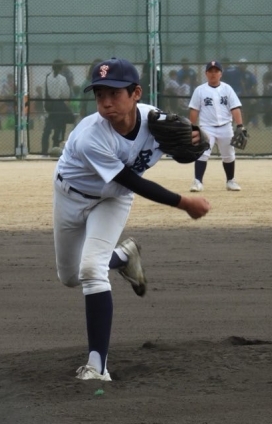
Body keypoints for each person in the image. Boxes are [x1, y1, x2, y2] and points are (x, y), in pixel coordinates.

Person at [53, 57, 210, 381]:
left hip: (113, 201)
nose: (106, 102)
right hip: (71, 196)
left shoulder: (155, 121)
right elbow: (133, 181)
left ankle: (97, 366)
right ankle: (124, 256)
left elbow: (188, 143)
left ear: (136, 93)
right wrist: (185, 203)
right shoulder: (92, 137)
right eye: (99, 94)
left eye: (114, 93)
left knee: (91, 270)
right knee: (69, 277)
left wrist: (196, 139)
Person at [188, 60, 244, 192]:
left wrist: (240, 125)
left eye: (216, 71)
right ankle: (198, 182)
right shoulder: (200, 90)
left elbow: (235, 108)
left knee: (229, 155)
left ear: (221, 74)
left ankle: (230, 181)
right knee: (202, 153)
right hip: (206, 128)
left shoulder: (227, 89)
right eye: (210, 71)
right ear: (206, 73)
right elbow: (194, 110)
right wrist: (192, 127)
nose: (213, 74)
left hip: (225, 126)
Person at [41, 59, 73, 155]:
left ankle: (44, 151)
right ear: (61, 67)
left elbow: (44, 93)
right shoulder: (62, 79)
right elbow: (66, 94)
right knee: (59, 129)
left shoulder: (47, 78)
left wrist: (45, 107)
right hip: (59, 106)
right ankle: (56, 149)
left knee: (47, 130)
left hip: (49, 106)